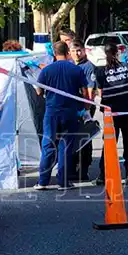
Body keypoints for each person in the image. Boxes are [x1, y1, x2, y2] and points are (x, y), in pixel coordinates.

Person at [35, 41, 89, 190]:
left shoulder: (46, 71)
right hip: (70, 112)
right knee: (65, 146)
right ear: (67, 52)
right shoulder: (76, 70)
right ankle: (63, 182)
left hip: (52, 112)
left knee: (48, 144)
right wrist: (85, 109)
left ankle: (43, 181)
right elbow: (85, 93)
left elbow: (39, 91)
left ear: (54, 53)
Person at [94, 42, 128, 186]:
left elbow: (101, 92)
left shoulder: (100, 71)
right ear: (117, 53)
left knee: (109, 144)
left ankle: (103, 175)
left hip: (111, 113)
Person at [69, 38, 97, 181]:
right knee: (73, 137)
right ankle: (73, 167)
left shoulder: (88, 67)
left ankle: (84, 168)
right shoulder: (69, 64)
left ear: (84, 51)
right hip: (72, 108)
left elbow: (90, 91)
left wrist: (86, 110)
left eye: (79, 50)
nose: (77, 53)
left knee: (85, 138)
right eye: (73, 51)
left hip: (84, 108)